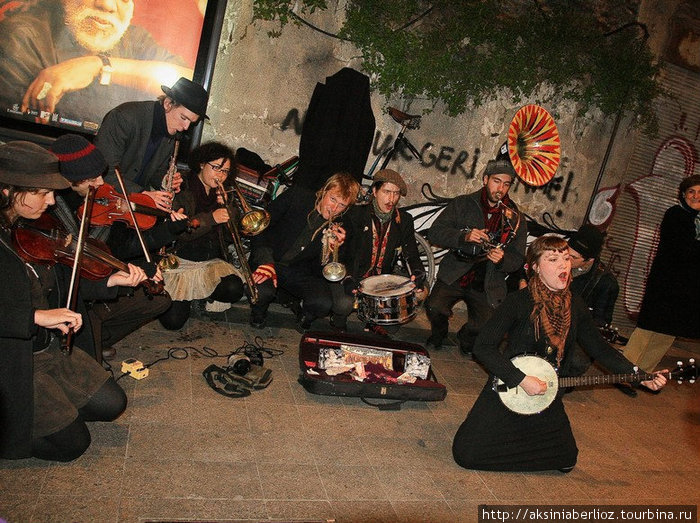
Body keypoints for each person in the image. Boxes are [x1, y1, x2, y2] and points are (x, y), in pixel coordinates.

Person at [451, 235, 667, 473]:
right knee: (466, 454)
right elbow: (483, 346)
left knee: (566, 460)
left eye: (566, 259)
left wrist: (640, 375)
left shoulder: (576, 306)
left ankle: (522, 439)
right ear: (535, 267)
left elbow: (600, 348)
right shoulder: (518, 301)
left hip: (548, 391)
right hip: (508, 385)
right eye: (553, 259)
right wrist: (520, 379)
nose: (563, 265)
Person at [0, 141, 147, 461]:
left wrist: (109, 280)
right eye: (43, 192)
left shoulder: (24, 225)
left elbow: (59, 279)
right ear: (8, 191)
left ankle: (50, 412)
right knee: (72, 445)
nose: (52, 201)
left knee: (112, 404)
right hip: (13, 361)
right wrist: (35, 317)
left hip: (46, 348)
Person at [49, 134, 177, 361]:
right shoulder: (52, 209)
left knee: (159, 299)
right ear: (68, 180)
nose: (101, 182)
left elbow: (120, 248)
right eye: (92, 179)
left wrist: (165, 236)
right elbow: (65, 272)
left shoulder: (97, 202)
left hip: (96, 285)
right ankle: (90, 339)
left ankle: (99, 338)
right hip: (70, 296)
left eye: (101, 174)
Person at [0, 0, 192, 127]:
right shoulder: (20, 37)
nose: (107, 5)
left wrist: (100, 66)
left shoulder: (134, 39)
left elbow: (189, 83)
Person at [425, 157, 527, 353]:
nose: (501, 188)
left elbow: (517, 258)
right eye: (497, 181)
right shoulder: (463, 203)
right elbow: (435, 232)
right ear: (485, 179)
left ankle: (466, 338)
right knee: (434, 306)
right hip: (457, 269)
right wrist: (464, 236)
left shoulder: (516, 219)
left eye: (506, 184)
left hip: (488, 279)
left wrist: (503, 259)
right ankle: (439, 334)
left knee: (485, 325)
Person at [248, 173, 360, 331]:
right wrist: (265, 261)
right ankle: (258, 313)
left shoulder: (342, 224)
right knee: (260, 291)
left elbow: (325, 270)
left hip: (300, 271)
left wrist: (333, 250)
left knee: (323, 303)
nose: (334, 208)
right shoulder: (297, 196)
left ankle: (304, 316)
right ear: (323, 191)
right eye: (333, 199)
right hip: (271, 258)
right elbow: (259, 228)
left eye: (342, 205)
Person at [158, 142, 245, 330]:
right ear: (201, 164)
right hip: (179, 261)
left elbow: (232, 237)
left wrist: (229, 209)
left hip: (209, 262)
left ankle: (202, 293)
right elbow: (180, 233)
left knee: (235, 289)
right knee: (173, 322)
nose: (221, 176)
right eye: (216, 168)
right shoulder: (183, 188)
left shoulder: (224, 192)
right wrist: (211, 218)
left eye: (225, 171)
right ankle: (189, 296)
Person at [95, 76, 209, 211]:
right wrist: (144, 195)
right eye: (183, 118)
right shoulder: (125, 117)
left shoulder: (171, 133)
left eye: (191, 122)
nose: (185, 127)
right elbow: (103, 170)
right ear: (168, 103)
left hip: (132, 207)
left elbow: (155, 170)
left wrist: (165, 179)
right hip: (104, 201)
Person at [623, 175, 700, 373]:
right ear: (683, 195)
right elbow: (683, 250)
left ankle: (644, 373)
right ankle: (623, 372)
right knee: (647, 330)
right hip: (666, 284)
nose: (696, 196)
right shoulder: (675, 214)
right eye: (691, 191)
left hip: (688, 290)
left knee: (667, 333)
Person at [340, 169, 426, 334]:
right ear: (374, 191)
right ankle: (338, 322)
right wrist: (347, 277)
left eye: (396, 194)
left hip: (382, 282)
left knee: (393, 326)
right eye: (386, 192)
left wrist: (418, 272)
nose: (391, 199)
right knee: (343, 305)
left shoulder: (404, 220)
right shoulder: (356, 214)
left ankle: (373, 322)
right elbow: (342, 253)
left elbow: (411, 253)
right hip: (355, 276)